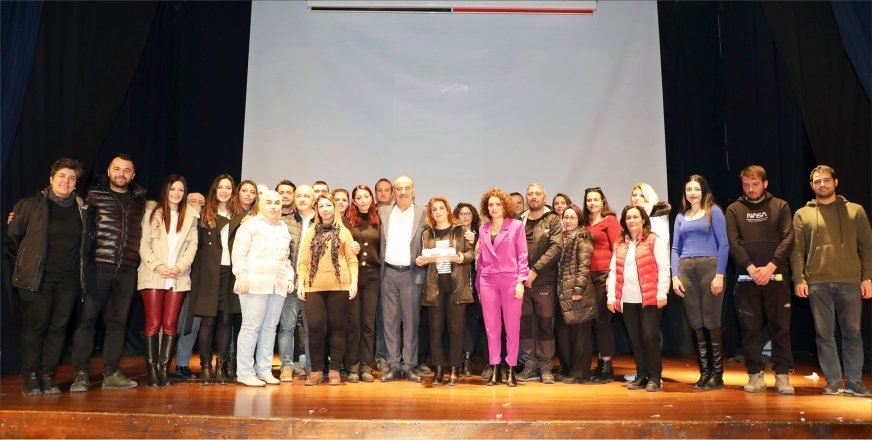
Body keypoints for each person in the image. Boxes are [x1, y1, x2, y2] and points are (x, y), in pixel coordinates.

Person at [7, 158, 86, 395]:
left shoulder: (82, 209)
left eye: (71, 178)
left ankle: (48, 375)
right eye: (62, 176)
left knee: (58, 329)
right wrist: (27, 264)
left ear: (76, 184)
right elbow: (13, 239)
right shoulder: (30, 205)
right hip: (37, 279)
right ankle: (31, 377)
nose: (66, 181)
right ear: (51, 179)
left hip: (68, 280)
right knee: (35, 328)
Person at [791, 165, 872, 397]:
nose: (822, 184)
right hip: (817, 282)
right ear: (811, 186)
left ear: (836, 182)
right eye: (817, 181)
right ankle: (834, 380)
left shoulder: (855, 210)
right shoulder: (802, 214)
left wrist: (867, 277)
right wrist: (799, 279)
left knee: (853, 333)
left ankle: (854, 382)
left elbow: (867, 247)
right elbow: (797, 250)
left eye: (826, 180)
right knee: (824, 334)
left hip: (850, 281)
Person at [70, 154, 147, 392]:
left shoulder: (140, 201)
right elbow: (67, 208)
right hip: (98, 267)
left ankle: (112, 373)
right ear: (109, 171)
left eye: (126, 170)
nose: (121, 173)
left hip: (127, 269)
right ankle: (81, 374)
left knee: (118, 324)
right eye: (117, 168)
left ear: (133, 175)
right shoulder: (93, 196)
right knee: (87, 321)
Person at [724, 165, 795, 395]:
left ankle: (782, 375)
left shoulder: (780, 206)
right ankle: (755, 375)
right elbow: (733, 242)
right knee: (750, 330)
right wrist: (752, 268)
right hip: (747, 279)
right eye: (746, 185)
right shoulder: (733, 210)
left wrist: (770, 266)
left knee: (780, 328)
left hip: (776, 277)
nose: (751, 189)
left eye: (755, 184)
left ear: (765, 184)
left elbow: (788, 239)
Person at [137, 175, 199, 387]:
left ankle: (164, 370)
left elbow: (192, 247)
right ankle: (152, 370)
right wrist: (157, 265)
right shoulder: (152, 213)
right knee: (154, 323)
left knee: (171, 324)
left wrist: (179, 267)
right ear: (166, 190)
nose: (176, 193)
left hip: (178, 276)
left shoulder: (190, 217)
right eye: (173, 189)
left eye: (180, 190)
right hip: (153, 274)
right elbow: (144, 244)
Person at [671, 174, 729, 391]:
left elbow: (724, 244)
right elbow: (675, 248)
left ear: (703, 191)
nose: (692, 193)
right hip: (686, 270)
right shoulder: (680, 217)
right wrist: (675, 276)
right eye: (689, 189)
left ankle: (717, 374)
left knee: (711, 320)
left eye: (696, 189)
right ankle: (704, 372)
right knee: (696, 322)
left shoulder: (714, 211)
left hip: (710, 268)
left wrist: (719, 275)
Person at [232, 190, 294, 387]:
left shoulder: (283, 227)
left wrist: (289, 277)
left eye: (277, 202)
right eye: (269, 202)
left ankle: (264, 369)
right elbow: (239, 254)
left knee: (270, 328)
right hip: (254, 283)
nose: (274, 206)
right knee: (251, 327)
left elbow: (285, 258)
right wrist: (241, 276)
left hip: (278, 284)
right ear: (261, 204)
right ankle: (244, 372)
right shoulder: (250, 225)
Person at [607, 205, 670, 392]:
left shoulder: (653, 240)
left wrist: (662, 292)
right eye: (628, 218)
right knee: (635, 338)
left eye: (635, 217)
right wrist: (611, 296)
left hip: (650, 297)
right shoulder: (620, 243)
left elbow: (663, 267)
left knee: (649, 336)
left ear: (643, 220)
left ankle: (655, 376)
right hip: (627, 299)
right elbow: (613, 271)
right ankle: (642, 375)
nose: (632, 220)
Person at [298, 194, 359, 385]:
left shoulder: (344, 232)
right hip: (314, 287)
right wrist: (301, 283)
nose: (325, 209)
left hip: (339, 286)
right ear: (317, 209)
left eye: (328, 205)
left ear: (334, 208)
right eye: (322, 206)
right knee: (315, 329)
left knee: (337, 330)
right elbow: (304, 261)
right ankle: (317, 371)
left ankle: (334, 371)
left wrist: (354, 283)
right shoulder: (310, 233)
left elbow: (351, 260)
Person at [187, 174, 241, 386]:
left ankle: (221, 367)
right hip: (208, 273)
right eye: (221, 187)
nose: (224, 191)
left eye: (228, 187)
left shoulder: (240, 215)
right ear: (214, 190)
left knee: (226, 320)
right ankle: (205, 367)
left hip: (231, 273)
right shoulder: (204, 214)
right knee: (208, 321)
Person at [414, 197, 474, 385]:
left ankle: (455, 370)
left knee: (456, 330)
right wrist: (421, 261)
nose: (438, 212)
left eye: (441, 208)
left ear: (447, 210)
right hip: (435, 285)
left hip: (456, 285)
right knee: (435, 330)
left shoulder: (460, 230)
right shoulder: (427, 234)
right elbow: (424, 257)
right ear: (430, 214)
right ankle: (438, 370)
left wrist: (461, 256)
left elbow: (471, 254)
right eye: (434, 209)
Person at [476, 188, 529, 387]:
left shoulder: (516, 226)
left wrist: (521, 281)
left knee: (512, 327)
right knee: (491, 327)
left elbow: (522, 255)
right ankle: (495, 368)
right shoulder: (483, 228)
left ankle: (511, 369)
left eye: (498, 204)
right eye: (490, 204)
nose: (494, 207)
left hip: (510, 280)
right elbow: (481, 260)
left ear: (505, 206)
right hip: (487, 281)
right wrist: (479, 286)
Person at [378, 176, 428, 382]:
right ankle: (394, 365)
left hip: (412, 274)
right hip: (388, 274)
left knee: (411, 322)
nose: (403, 192)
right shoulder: (383, 212)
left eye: (407, 188)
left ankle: (409, 365)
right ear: (394, 192)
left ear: (413, 190)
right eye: (399, 188)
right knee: (390, 322)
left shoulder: (423, 212)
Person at [516, 183, 563, 384]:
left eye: (537, 194)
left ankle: (545, 367)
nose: (533, 197)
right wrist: (521, 275)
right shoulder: (519, 220)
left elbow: (556, 248)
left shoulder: (553, 219)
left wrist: (535, 271)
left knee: (544, 325)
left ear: (544, 197)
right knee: (526, 325)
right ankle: (529, 366)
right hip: (521, 282)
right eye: (530, 194)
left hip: (543, 281)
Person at [581, 186, 621, 383]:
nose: (592, 203)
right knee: (590, 322)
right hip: (586, 277)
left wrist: (614, 276)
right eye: (589, 200)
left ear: (602, 201)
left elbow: (618, 248)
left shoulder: (610, 221)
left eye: (595, 199)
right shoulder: (584, 223)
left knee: (602, 320)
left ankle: (606, 365)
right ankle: (595, 363)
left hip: (604, 275)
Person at [343, 185, 382, 383]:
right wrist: (348, 247)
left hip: (372, 277)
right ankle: (353, 367)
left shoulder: (379, 220)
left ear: (372, 199)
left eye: (366, 196)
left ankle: (367, 366)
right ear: (354, 201)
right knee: (353, 323)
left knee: (368, 323)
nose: (363, 200)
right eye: (359, 197)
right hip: (353, 276)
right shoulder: (347, 221)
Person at [554, 204, 596, 384]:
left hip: (578, 294)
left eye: (572, 217)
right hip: (563, 293)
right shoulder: (562, 238)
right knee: (564, 334)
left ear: (579, 220)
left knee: (580, 336)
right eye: (566, 217)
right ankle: (567, 368)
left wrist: (578, 290)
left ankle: (580, 372)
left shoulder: (582, 237)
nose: (568, 220)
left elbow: (584, 266)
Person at [277, 184, 314, 382]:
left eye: (306, 196)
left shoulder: (321, 221)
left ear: (313, 199)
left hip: (312, 284)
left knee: (310, 329)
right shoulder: (285, 221)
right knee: (287, 327)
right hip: (290, 282)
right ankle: (286, 366)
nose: (302, 199)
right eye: (299, 195)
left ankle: (310, 367)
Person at [455, 202, 484, 376]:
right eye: (461, 214)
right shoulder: (452, 233)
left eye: (468, 214)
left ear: (473, 217)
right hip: (455, 285)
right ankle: (455, 360)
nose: (464, 217)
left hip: (474, 285)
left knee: (471, 323)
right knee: (456, 323)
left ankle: (467, 359)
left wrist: (474, 243)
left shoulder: (481, 234)